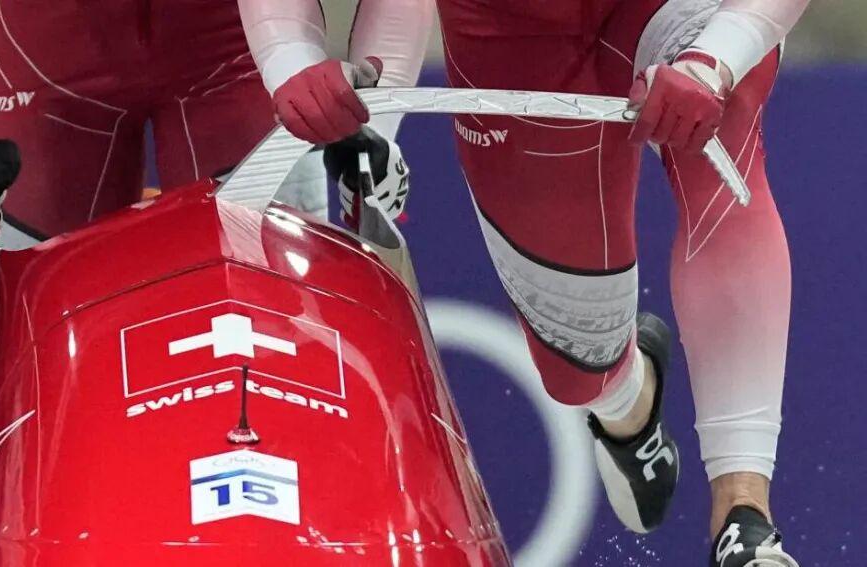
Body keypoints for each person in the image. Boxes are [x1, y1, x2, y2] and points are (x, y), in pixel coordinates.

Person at [242, 0, 810, 565]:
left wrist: (717, 58)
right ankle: (628, 401)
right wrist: (317, 80)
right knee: (579, 368)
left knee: (720, 134)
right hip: (511, 40)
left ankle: (745, 518)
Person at [0, 0, 336, 250]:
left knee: (274, 292)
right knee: (34, 309)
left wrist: (287, 66)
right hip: (54, 67)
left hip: (227, 52)